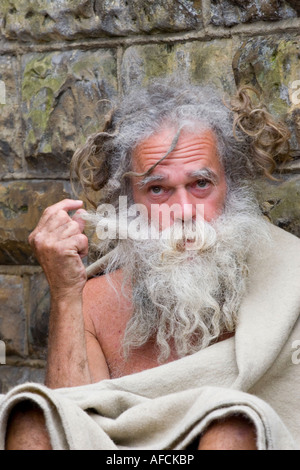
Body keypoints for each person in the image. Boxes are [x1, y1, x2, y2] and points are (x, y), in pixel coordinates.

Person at [2, 79, 300, 450]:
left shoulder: (290, 281)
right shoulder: (93, 303)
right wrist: (64, 294)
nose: (184, 213)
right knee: (32, 420)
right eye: (158, 190)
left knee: (233, 426)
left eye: (201, 184)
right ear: (130, 202)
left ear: (232, 188)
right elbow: (69, 428)